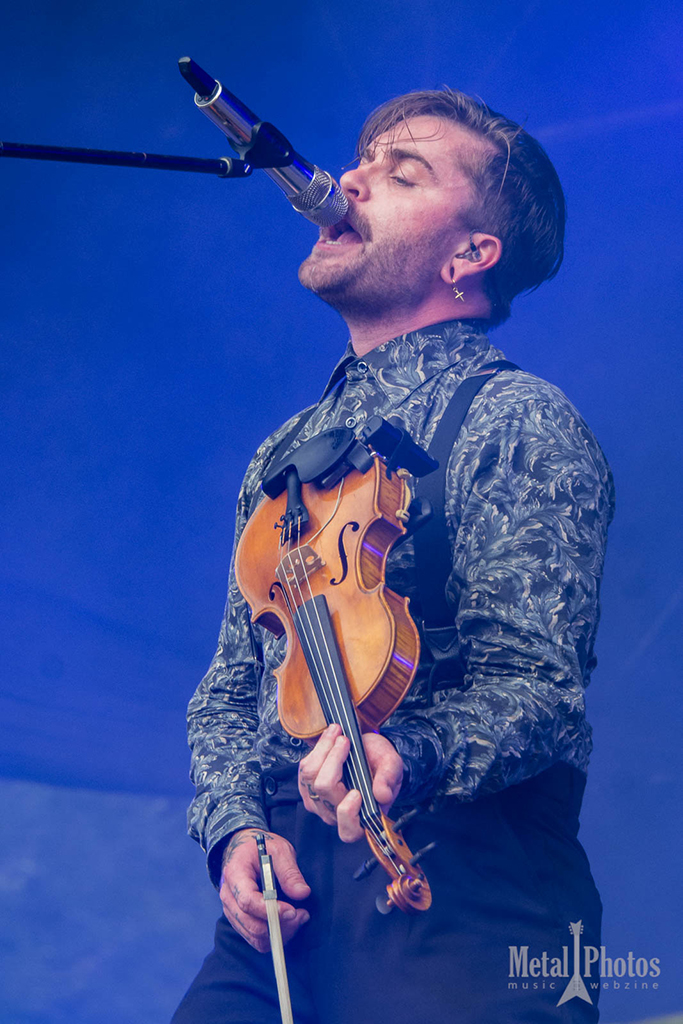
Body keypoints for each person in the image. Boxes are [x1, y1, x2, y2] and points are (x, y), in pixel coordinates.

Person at [172, 89, 614, 1024]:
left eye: (402, 173)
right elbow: (230, 689)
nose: (352, 178)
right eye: (363, 159)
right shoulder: (284, 449)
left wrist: (404, 753)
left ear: (469, 256)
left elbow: (538, 690)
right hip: (284, 909)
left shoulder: (516, 419)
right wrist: (233, 830)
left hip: (462, 888)